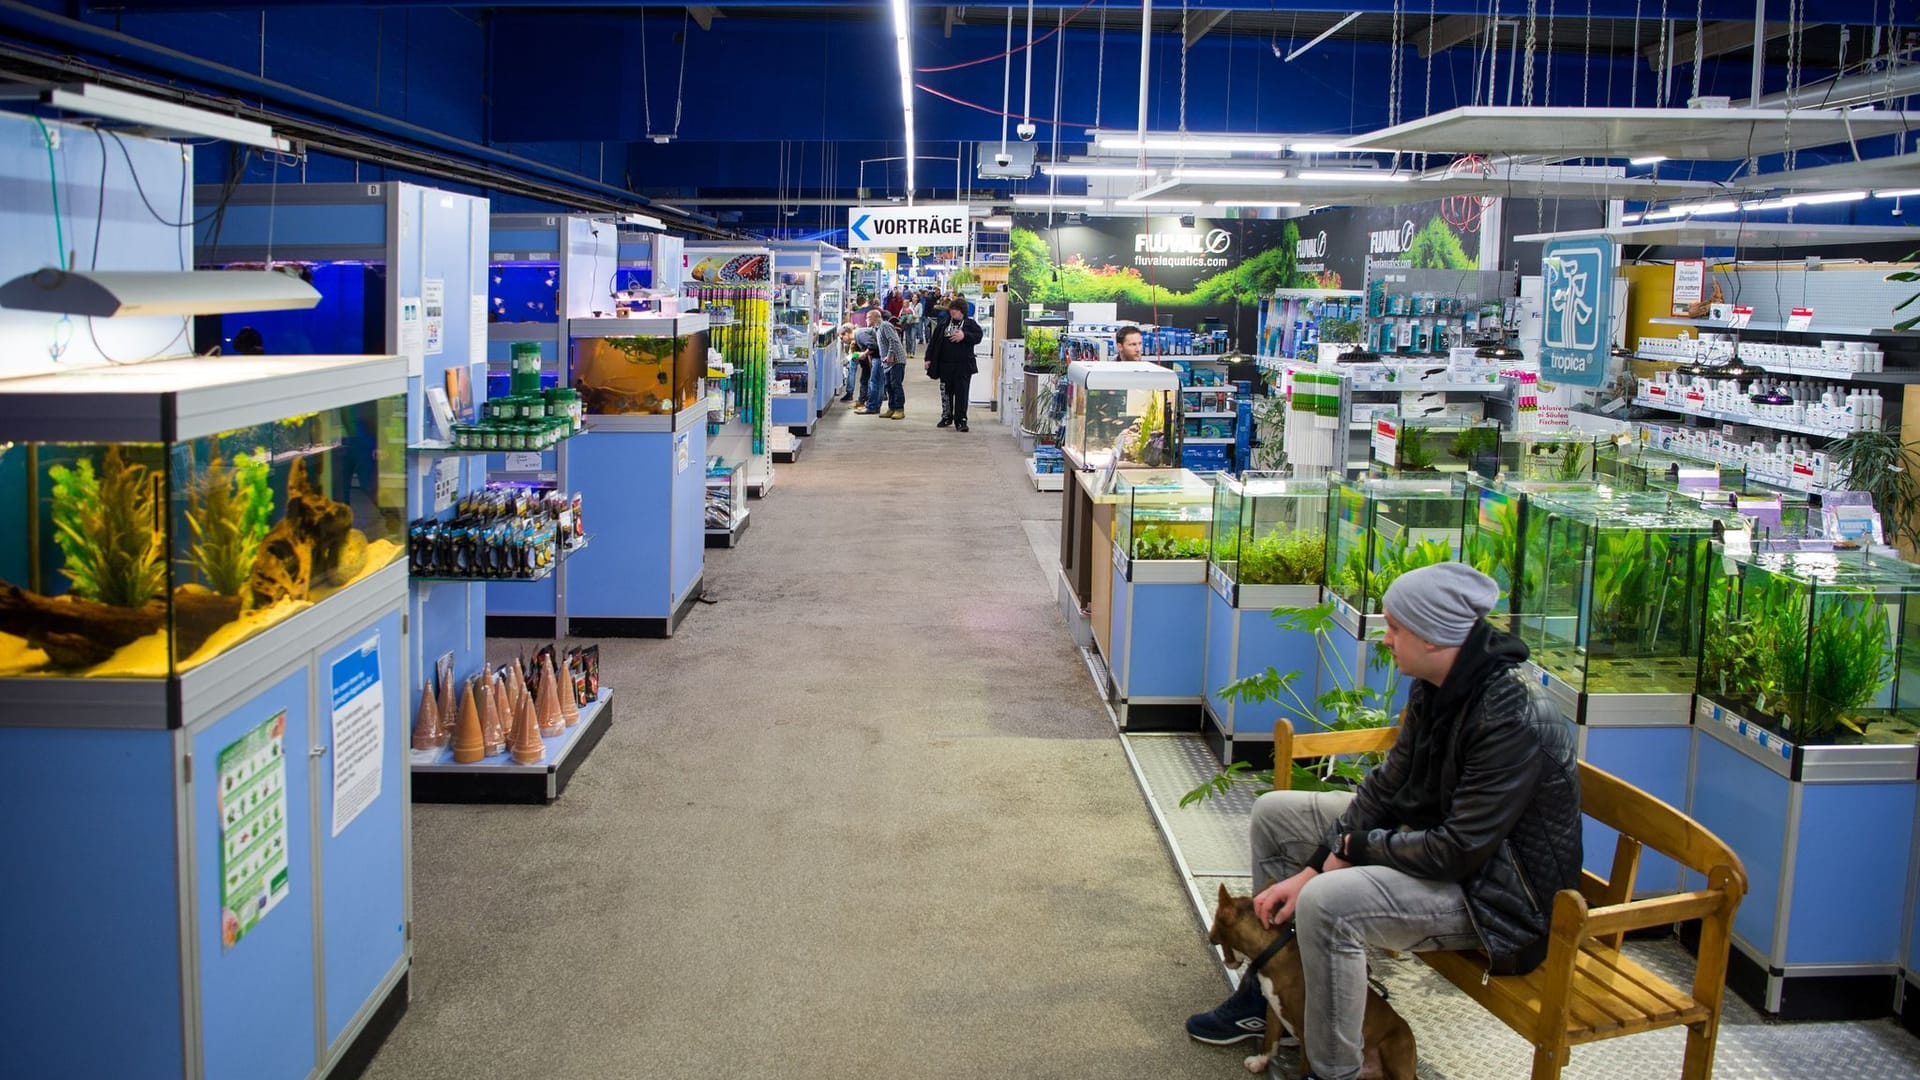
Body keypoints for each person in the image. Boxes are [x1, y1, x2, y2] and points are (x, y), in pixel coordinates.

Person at [1185, 563, 1582, 1080]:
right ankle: (1273, 987)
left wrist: (1351, 850)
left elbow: (1456, 851)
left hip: (1499, 900)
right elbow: (1387, 786)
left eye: (1395, 626)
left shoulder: (1510, 715)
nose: (1384, 637)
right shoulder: (1437, 684)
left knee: (1331, 904)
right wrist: (1312, 867)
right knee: (1276, 816)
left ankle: (1332, 1070)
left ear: (1436, 637)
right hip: (1445, 853)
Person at [925, 298, 983, 431]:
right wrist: (928, 359)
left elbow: (978, 336)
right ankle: (946, 416)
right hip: (945, 365)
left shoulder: (970, 324)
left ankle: (961, 420)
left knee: (962, 393)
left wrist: (964, 336)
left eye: (955, 310)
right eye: (951, 310)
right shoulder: (943, 324)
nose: (952, 312)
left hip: (963, 366)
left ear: (962, 311)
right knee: (946, 392)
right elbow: (933, 343)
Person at [858, 308, 908, 420]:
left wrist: (890, 355)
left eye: (868, 318)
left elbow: (894, 340)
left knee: (896, 384)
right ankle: (892, 408)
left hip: (896, 360)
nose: (866, 320)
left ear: (875, 317)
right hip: (887, 362)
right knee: (888, 385)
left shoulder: (885, 325)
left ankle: (899, 409)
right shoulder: (877, 329)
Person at [837, 323, 861, 403]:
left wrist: (846, 359)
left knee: (851, 369)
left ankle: (849, 393)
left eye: (841, 338)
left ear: (847, 333)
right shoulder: (856, 334)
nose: (841, 340)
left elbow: (853, 354)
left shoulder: (854, 340)